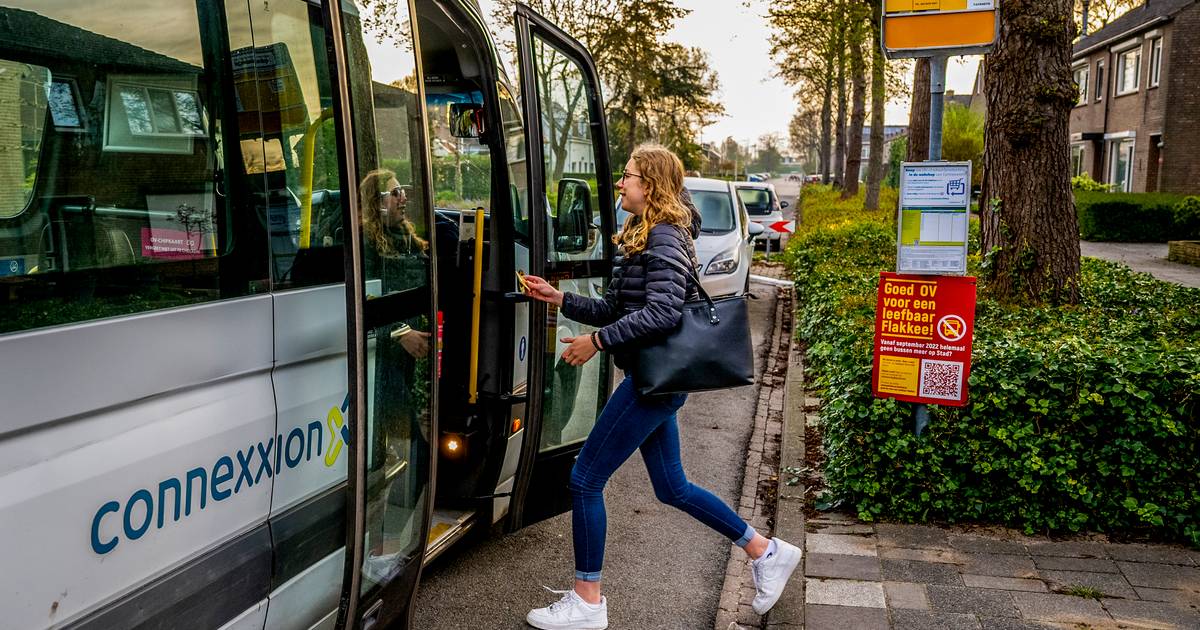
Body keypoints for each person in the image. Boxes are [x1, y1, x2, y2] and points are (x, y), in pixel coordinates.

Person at [520, 145, 801, 629]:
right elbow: (616, 307)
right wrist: (558, 297)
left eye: (626, 176)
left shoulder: (666, 236)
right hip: (652, 379)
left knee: (585, 479)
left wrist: (597, 343)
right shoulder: (641, 233)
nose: (619, 184)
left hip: (655, 383)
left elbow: (663, 313)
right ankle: (764, 550)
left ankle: (588, 601)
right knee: (673, 487)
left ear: (648, 184)